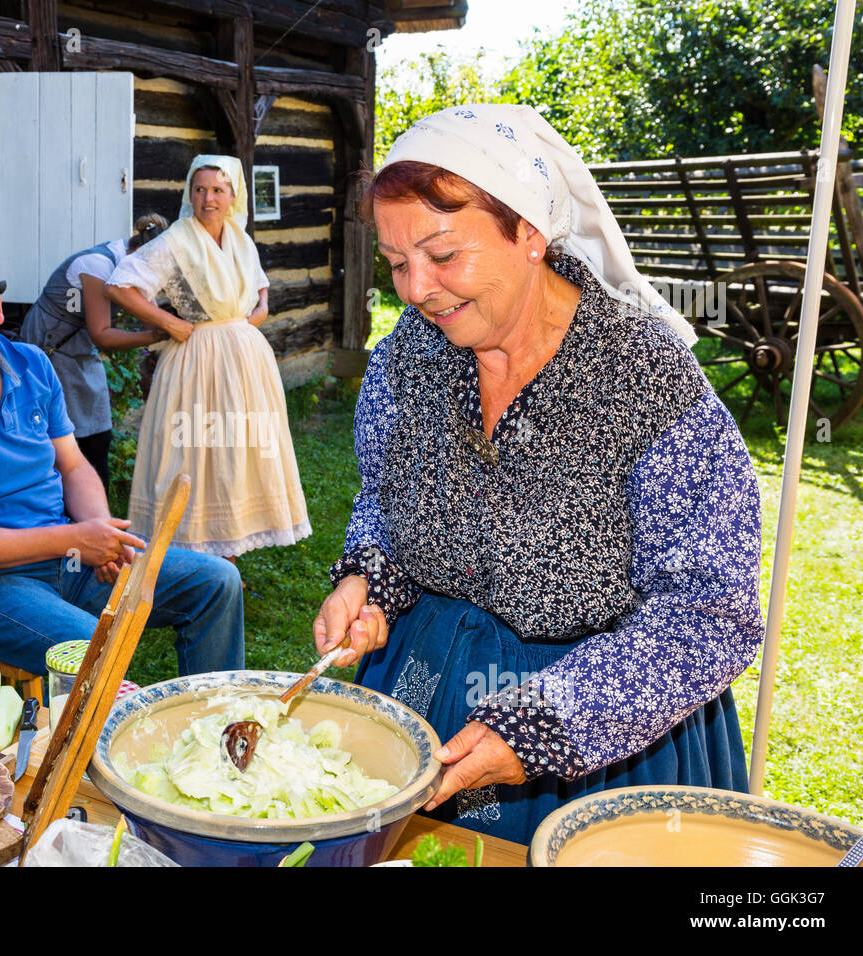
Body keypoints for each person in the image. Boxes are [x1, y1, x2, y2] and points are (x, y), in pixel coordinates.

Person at [312, 105, 764, 847]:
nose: (415, 289)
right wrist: (368, 576)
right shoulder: (405, 360)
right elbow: (383, 501)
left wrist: (543, 724)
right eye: (396, 262)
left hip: (609, 731)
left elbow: (708, 613)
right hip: (427, 681)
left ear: (528, 233)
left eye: (442, 254)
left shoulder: (644, 382)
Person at [0, 242, 244, 678]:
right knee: (93, 646)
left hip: (66, 555)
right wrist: (72, 540)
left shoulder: (32, 364)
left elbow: (72, 465)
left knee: (216, 583)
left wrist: (101, 537)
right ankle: (96, 745)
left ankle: (215, 726)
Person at [106, 155, 309, 560]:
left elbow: (260, 287)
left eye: (217, 190)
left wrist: (260, 310)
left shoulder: (239, 239)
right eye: (199, 189)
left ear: (233, 196)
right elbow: (120, 284)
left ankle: (229, 554)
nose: (207, 198)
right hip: (198, 361)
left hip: (245, 360)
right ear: (189, 194)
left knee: (239, 449)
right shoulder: (177, 240)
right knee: (197, 450)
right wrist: (169, 322)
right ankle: (194, 558)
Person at [20, 214, 169, 494]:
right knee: (64, 437)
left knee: (98, 432)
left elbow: (152, 316)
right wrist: (153, 336)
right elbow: (102, 334)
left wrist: (176, 323)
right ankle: (67, 511)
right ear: (141, 254)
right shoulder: (96, 265)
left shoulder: (135, 266)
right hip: (50, 348)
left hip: (80, 351)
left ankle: (96, 509)